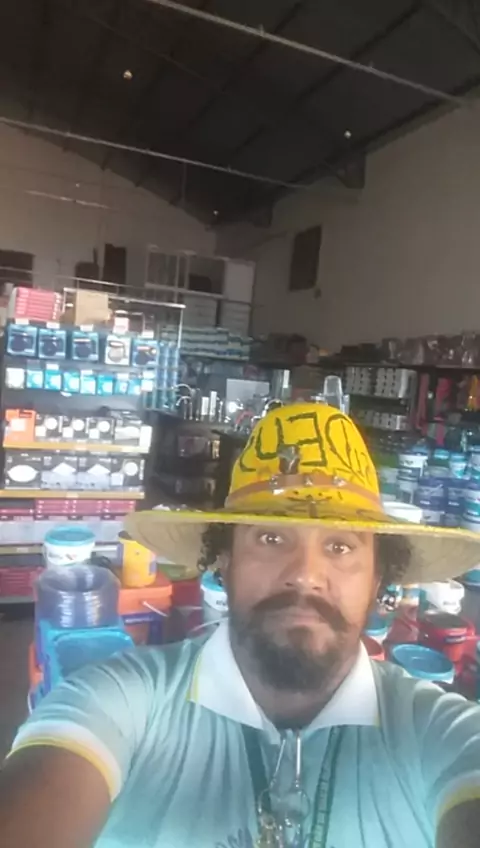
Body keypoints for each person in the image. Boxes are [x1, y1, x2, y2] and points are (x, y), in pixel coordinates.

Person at [2, 403, 480, 848]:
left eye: (340, 547)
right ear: (224, 561)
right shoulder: (121, 700)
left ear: (377, 578)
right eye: (271, 538)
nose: (305, 574)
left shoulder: (438, 732)